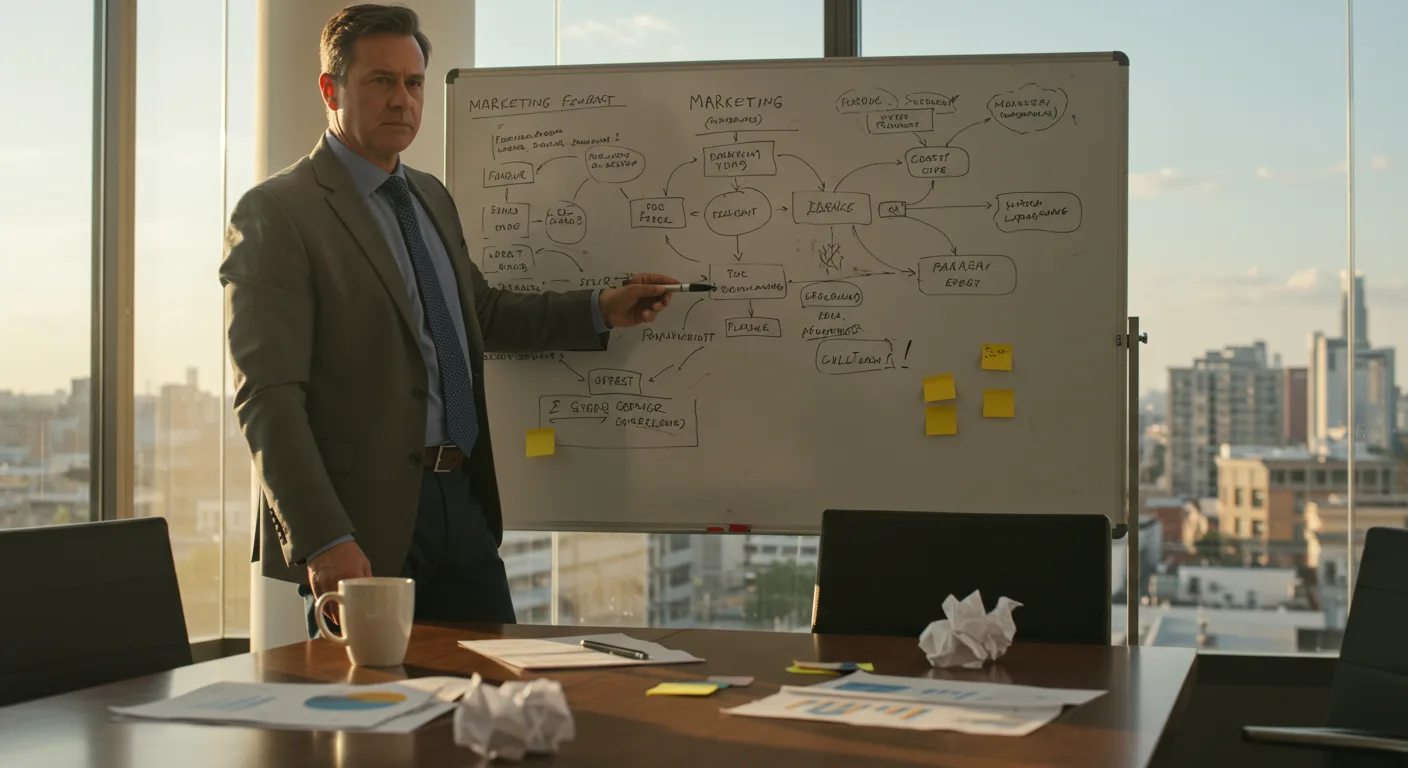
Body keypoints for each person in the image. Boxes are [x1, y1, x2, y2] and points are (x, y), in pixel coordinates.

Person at [221, 3, 675, 638]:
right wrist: (323, 538)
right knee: (378, 700)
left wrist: (600, 309)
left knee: (496, 687)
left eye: (413, 83)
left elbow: (479, 313)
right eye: (381, 81)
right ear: (331, 88)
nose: (402, 99)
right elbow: (267, 397)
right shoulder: (278, 211)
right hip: (361, 523)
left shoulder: (429, 196)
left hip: (461, 501)